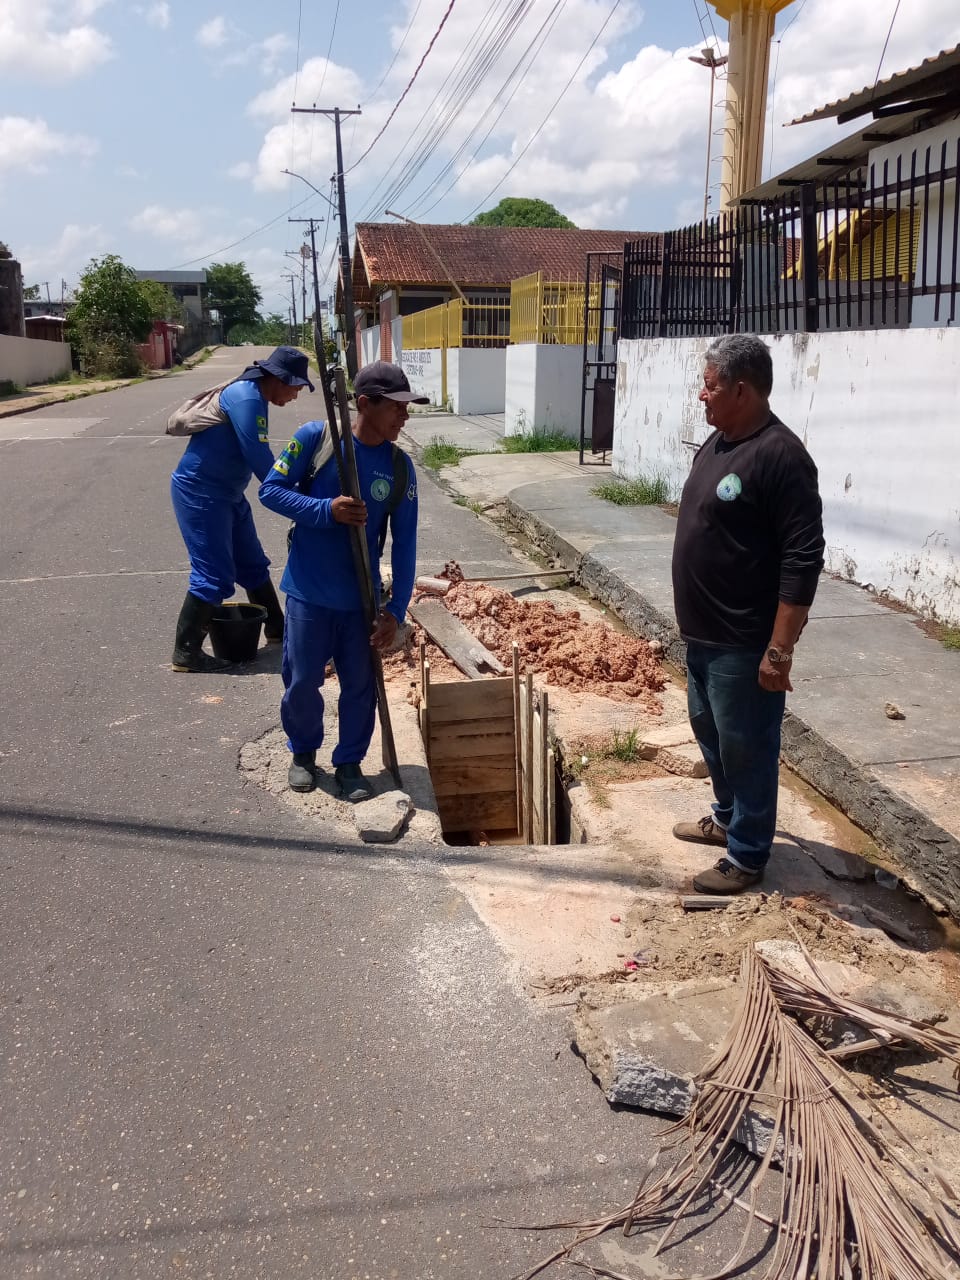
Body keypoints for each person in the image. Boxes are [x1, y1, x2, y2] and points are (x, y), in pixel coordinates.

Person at [671, 334, 824, 894]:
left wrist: (779, 650)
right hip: (704, 635)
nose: (701, 396)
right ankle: (729, 818)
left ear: (740, 389)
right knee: (710, 732)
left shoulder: (781, 456)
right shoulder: (715, 445)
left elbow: (803, 560)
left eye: (709, 386)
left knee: (748, 744)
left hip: (745, 640)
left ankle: (749, 853)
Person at [258, 360, 426, 802]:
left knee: (360, 685)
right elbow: (270, 491)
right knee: (301, 682)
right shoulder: (316, 440)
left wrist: (395, 610)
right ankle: (303, 753)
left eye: (407, 408)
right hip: (309, 593)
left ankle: (350, 762)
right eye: (396, 408)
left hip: (361, 601)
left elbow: (404, 546)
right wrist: (323, 511)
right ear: (365, 404)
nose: (404, 417)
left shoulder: (399, 467)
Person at [169, 346, 314, 673]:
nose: (295, 395)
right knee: (214, 575)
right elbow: (262, 463)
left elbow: (266, 463)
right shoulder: (247, 397)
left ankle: (276, 627)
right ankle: (186, 651)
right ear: (277, 379)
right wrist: (305, 505)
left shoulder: (255, 396)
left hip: (228, 493)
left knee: (251, 563)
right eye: (295, 387)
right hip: (201, 493)